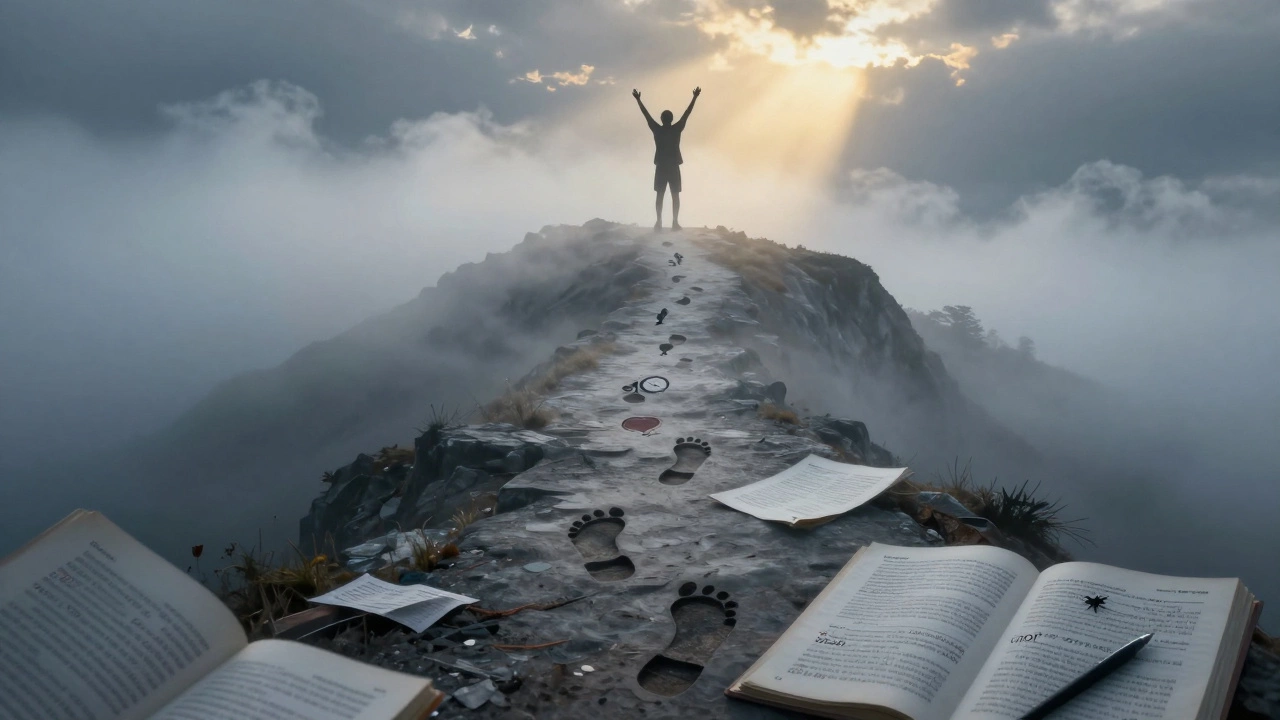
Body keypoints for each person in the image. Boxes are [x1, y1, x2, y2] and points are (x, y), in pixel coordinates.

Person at [633, 87, 700, 231]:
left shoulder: (657, 129)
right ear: (671, 119)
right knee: (675, 195)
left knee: (660, 195)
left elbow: (646, 115)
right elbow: (687, 113)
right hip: (673, 166)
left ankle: (659, 222)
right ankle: (674, 223)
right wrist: (694, 97)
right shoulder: (676, 129)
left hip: (662, 166)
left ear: (662, 119)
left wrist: (638, 100)